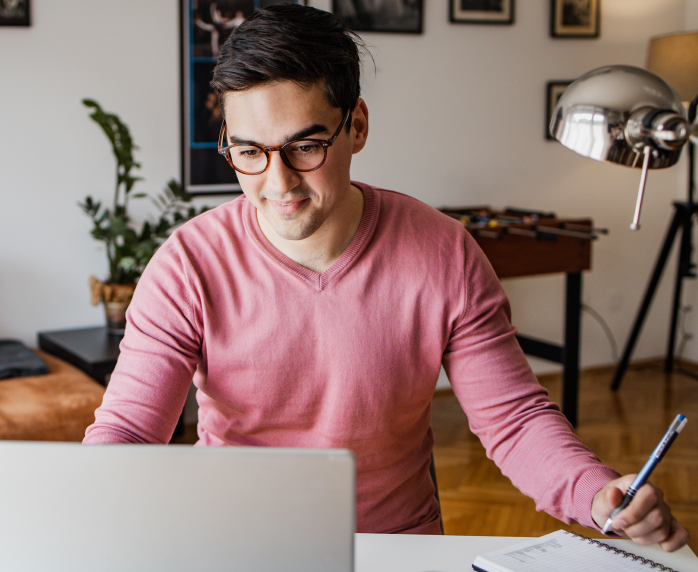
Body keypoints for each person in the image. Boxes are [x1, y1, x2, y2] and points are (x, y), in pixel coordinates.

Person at [83, 4, 690, 551]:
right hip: (235, 543)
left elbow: (515, 420)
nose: (278, 183)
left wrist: (595, 492)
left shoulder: (443, 251)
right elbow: (132, 428)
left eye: (305, 146)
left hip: (398, 546)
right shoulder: (188, 264)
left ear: (358, 126)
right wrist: (78, 505)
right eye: (249, 152)